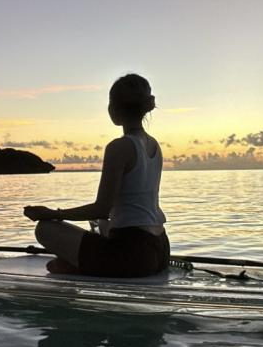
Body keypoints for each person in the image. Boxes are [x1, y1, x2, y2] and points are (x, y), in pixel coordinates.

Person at [23, 74, 169, 277]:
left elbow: (102, 208)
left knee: (44, 230)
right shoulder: (154, 145)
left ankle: (77, 267)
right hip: (160, 248)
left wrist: (54, 214)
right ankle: (82, 264)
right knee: (101, 226)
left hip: (133, 254)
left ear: (114, 109)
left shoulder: (119, 147)